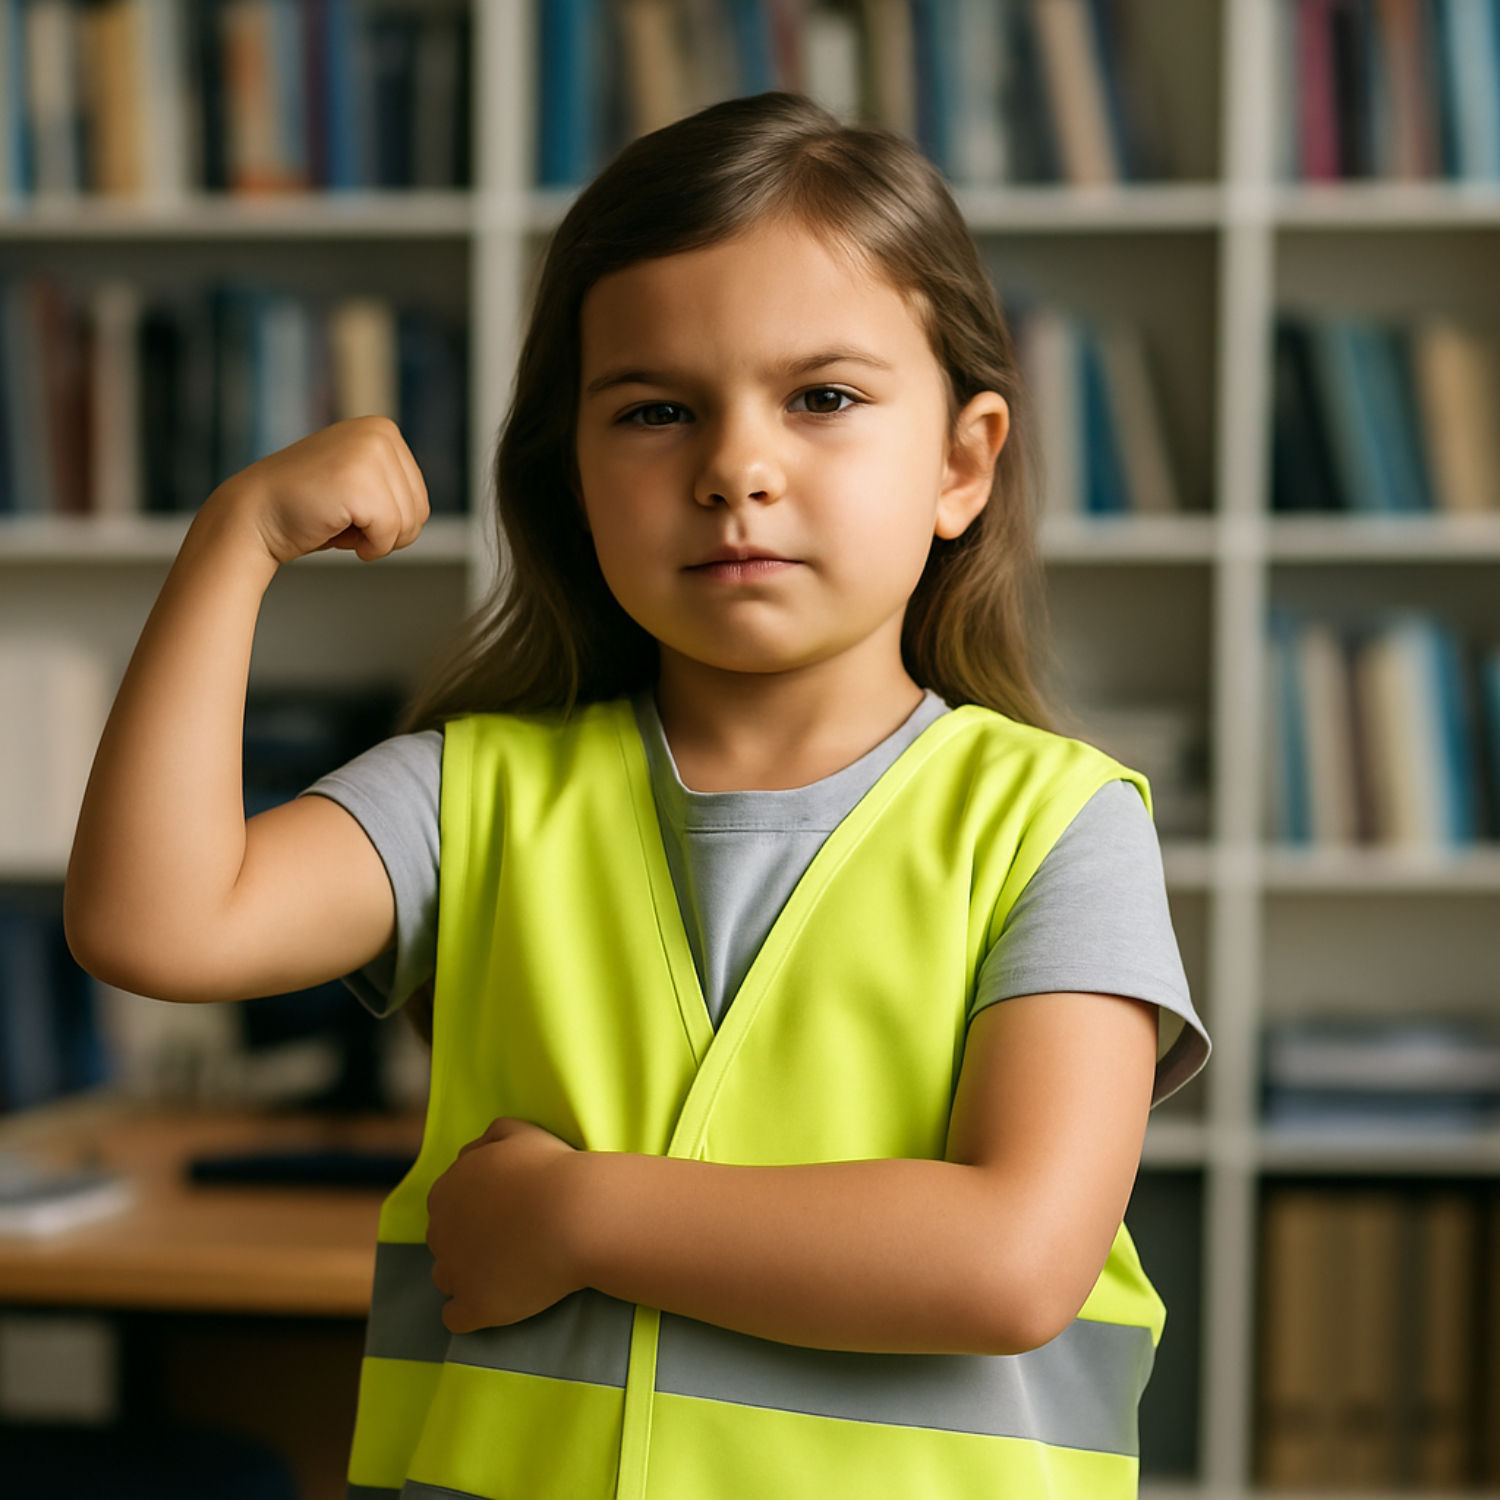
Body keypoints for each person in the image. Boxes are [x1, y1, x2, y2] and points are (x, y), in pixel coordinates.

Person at [66, 91, 1210, 1500]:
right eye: (656, 411)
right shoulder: (471, 793)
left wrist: (582, 1215)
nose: (735, 469)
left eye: (823, 399)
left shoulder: (1058, 826)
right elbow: (154, 925)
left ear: (963, 464)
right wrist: (232, 543)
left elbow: (1013, 1261)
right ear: (575, 476)